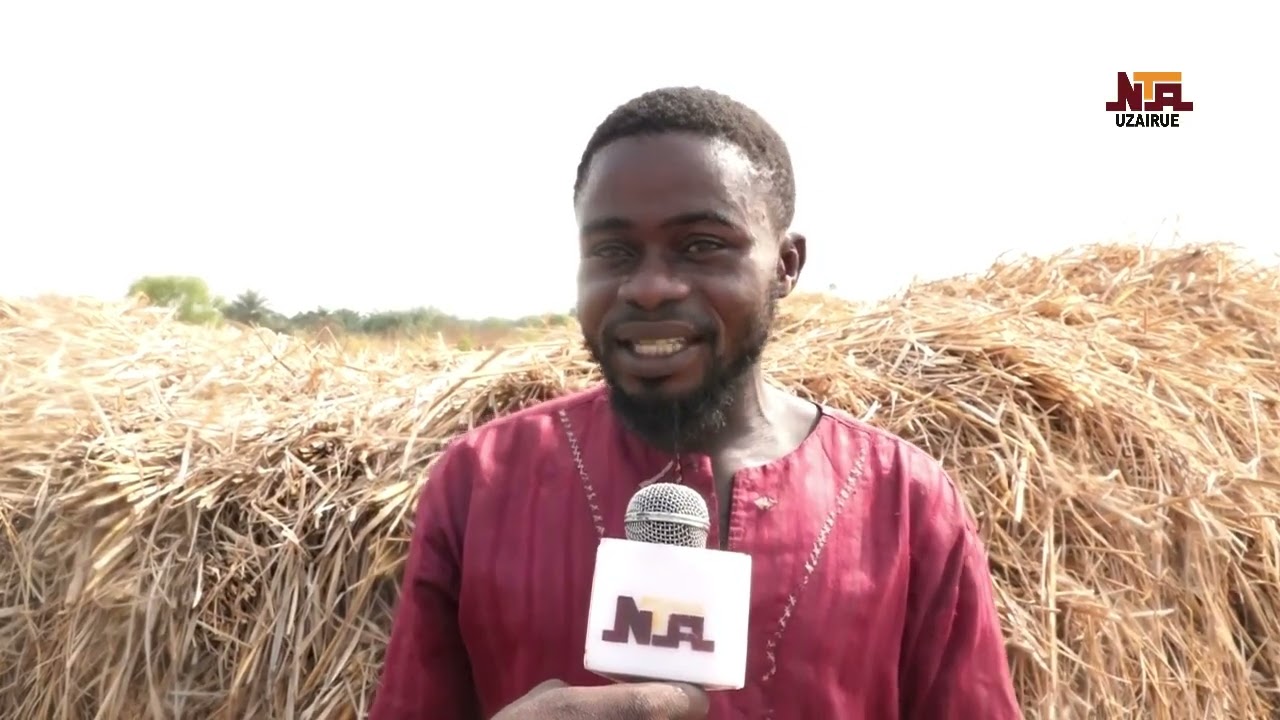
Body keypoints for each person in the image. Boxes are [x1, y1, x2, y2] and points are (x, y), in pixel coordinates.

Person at [368, 86, 1022, 719]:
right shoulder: (482, 481)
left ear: (786, 265)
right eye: (612, 251)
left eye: (702, 245)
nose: (650, 287)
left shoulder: (904, 501)